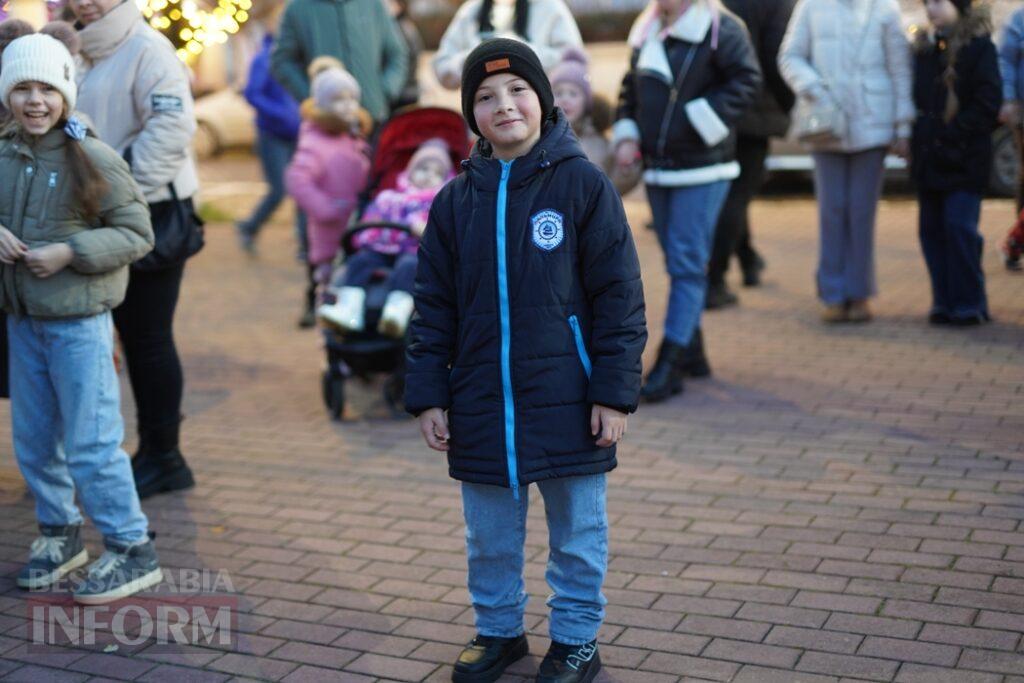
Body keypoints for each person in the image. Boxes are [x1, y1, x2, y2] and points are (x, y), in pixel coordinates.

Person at [405, 39, 646, 683]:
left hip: (570, 397)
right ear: (470, 115)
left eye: (516, 90)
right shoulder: (456, 203)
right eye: (484, 97)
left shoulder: (583, 185)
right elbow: (433, 307)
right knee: (488, 537)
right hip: (482, 401)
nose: (503, 105)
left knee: (577, 533)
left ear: (543, 98)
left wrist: (614, 393)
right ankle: (499, 631)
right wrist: (430, 393)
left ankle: (575, 639)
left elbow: (619, 296)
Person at [0, 29, 162, 604]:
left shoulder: (91, 156)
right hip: (23, 322)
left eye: (47, 87)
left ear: (66, 92)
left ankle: (130, 546)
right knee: (35, 440)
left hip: (79, 326)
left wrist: (71, 252)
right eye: (22, 88)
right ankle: (59, 534)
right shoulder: (4, 153)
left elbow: (139, 233)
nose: (35, 100)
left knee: (92, 442)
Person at [71, 0, 200, 497]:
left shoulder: (149, 50)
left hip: (151, 214)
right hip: (97, 214)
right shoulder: (80, 50)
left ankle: (165, 457)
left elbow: (170, 133)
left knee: (146, 338)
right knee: (112, 337)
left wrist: (112, 193)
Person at [612, 0, 761, 403]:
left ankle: (670, 361)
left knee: (686, 262)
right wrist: (626, 133)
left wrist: (699, 118)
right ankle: (693, 353)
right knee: (678, 259)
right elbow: (630, 88)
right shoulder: (646, 27)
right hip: (658, 167)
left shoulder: (721, 28)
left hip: (703, 166)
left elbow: (747, 80)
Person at [779, 0, 913, 323]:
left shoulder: (885, 8)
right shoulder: (811, 6)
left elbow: (900, 68)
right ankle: (832, 294)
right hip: (826, 124)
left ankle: (859, 293)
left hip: (872, 123)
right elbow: (789, 55)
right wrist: (812, 87)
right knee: (832, 211)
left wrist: (903, 124)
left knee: (861, 213)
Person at [912, 0, 999, 326]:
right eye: (927, 2)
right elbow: (918, 98)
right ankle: (944, 300)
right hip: (930, 159)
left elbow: (987, 102)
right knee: (931, 231)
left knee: (959, 228)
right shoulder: (924, 49)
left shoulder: (978, 48)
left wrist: (954, 133)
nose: (931, 9)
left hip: (964, 159)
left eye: (939, 1)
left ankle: (969, 302)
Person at [706, 0, 796, 309]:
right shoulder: (778, 5)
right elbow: (776, 59)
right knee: (737, 194)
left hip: (719, 109)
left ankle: (747, 259)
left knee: (733, 191)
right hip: (753, 108)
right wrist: (791, 104)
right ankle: (714, 279)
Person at [317, 138, 454, 338]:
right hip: (381, 249)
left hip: (414, 252)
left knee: (409, 266)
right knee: (359, 261)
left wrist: (425, 230)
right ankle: (349, 309)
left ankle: (396, 312)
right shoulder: (388, 197)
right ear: (411, 170)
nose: (428, 176)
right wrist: (370, 233)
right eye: (423, 169)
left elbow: (446, 236)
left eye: (436, 173)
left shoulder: (440, 203)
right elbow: (369, 220)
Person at [285, 63, 371, 292]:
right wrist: (327, 209)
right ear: (323, 104)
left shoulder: (352, 136)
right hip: (330, 233)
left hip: (354, 226)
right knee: (331, 287)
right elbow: (297, 179)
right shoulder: (315, 142)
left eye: (352, 99)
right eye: (339, 99)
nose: (348, 106)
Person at [271, 0, 408, 126]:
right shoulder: (297, 8)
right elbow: (282, 61)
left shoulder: (373, 4)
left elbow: (397, 54)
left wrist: (386, 90)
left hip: (373, 118)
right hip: (326, 124)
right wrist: (313, 95)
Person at [237, 11, 305, 257]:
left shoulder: (298, 59)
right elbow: (252, 93)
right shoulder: (263, 59)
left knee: (301, 188)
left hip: (297, 134)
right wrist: (282, 115)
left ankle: (305, 244)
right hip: (273, 134)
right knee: (279, 190)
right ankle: (249, 226)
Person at [550, 47, 641, 195]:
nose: (565, 99)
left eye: (573, 94)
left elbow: (614, 185)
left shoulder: (600, 143)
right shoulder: (543, 138)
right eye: (559, 93)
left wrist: (627, 170)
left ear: (586, 101)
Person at [432, 0, 582, 90]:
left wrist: (520, 52)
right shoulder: (471, 11)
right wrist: (473, 59)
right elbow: (442, 66)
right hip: (483, 125)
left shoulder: (550, 7)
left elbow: (574, 61)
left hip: (542, 122)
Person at [996, 4, 1024, 269]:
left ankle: (1017, 241)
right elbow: (1005, 59)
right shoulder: (1020, 18)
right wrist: (1009, 100)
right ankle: (1017, 241)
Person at [387, 0, 424, 110]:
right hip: (407, 90)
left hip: (403, 93)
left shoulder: (399, 28)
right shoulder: (405, 25)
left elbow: (405, 60)